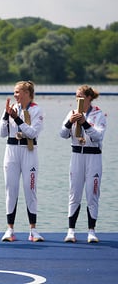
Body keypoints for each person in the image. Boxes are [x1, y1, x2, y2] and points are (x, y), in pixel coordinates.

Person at [0, 80, 44, 242]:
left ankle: (33, 230)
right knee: (11, 189)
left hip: (29, 151)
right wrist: (5, 115)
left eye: (18, 92)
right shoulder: (12, 109)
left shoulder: (36, 110)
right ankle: (10, 229)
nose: (15, 95)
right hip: (11, 151)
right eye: (15, 92)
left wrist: (17, 119)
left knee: (30, 189)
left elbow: (31, 133)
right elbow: (1, 133)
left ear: (27, 93)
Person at [59, 85, 106, 243]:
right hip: (76, 156)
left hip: (93, 157)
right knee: (74, 193)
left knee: (92, 194)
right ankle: (71, 231)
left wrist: (85, 123)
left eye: (80, 96)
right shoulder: (71, 113)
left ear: (88, 98)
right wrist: (69, 123)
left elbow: (99, 136)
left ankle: (91, 231)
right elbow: (62, 134)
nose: (77, 99)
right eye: (76, 96)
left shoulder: (99, 114)